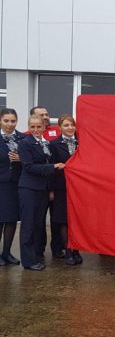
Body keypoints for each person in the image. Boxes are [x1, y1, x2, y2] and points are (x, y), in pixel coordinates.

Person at [17, 115, 65, 271]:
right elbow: (29, 167)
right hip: (29, 189)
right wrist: (53, 167)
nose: (36, 130)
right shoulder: (25, 143)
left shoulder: (47, 144)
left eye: (39, 127)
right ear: (29, 127)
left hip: (43, 190)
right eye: (32, 127)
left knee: (39, 225)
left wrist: (50, 189)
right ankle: (28, 261)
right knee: (28, 225)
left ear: (45, 127)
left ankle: (36, 255)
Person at [29, 106, 63, 258]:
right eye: (41, 115)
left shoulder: (58, 130)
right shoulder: (27, 136)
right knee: (39, 220)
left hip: (57, 184)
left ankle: (57, 248)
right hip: (39, 186)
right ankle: (39, 249)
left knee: (57, 219)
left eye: (47, 114)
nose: (46, 117)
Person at [50, 115, 82, 266]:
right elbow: (51, 169)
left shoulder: (81, 143)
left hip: (78, 189)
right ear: (60, 128)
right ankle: (68, 250)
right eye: (66, 125)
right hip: (61, 187)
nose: (70, 128)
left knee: (76, 220)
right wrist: (51, 190)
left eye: (72, 125)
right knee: (63, 220)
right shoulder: (54, 144)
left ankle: (76, 249)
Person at [0, 108, 26, 266]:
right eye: (6, 121)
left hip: (16, 184)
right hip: (0, 184)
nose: (10, 124)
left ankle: (7, 252)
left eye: (13, 121)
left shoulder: (23, 138)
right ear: (0, 121)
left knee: (11, 220)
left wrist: (21, 158)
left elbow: (32, 158)